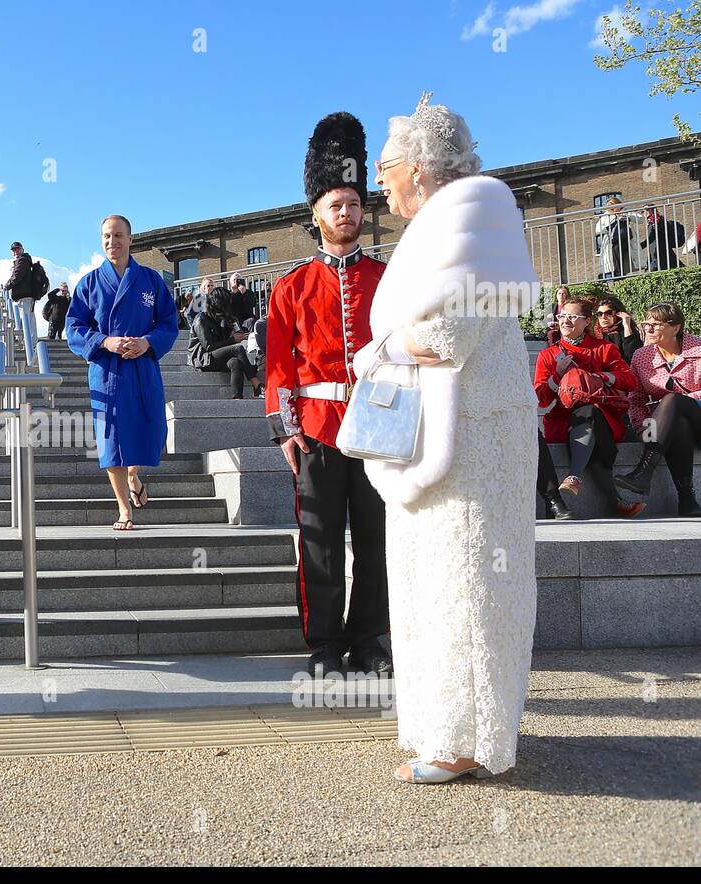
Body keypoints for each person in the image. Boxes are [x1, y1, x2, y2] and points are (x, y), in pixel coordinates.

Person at [361, 93, 540, 784]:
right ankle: (447, 730)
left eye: (387, 164)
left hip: (472, 441)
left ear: (422, 167)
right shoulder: (447, 221)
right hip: (451, 432)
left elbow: (445, 334)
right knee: (440, 584)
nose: (380, 178)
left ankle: (461, 743)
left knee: (465, 585)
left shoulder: (475, 214)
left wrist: (372, 353)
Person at [264, 112, 390, 678]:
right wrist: (286, 428)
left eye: (355, 204)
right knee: (318, 543)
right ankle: (323, 646)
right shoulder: (291, 285)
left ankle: (369, 640)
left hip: (380, 426)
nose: (348, 213)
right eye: (336, 205)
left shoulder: (389, 277)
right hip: (315, 427)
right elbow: (278, 365)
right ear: (316, 214)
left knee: (376, 542)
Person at [66, 214, 179, 531]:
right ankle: (123, 508)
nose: (111, 242)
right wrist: (105, 341)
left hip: (143, 367)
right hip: (107, 370)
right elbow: (74, 327)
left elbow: (169, 323)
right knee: (111, 441)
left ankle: (134, 475)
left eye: (117, 236)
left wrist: (148, 342)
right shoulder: (89, 283)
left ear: (130, 239)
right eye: (105, 236)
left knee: (150, 429)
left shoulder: (151, 280)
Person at [534, 294, 641, 517]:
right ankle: (615, 501)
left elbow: (629, 380)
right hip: (562, 420)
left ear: (586, 321)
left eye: (573, 317)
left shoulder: (604, 348)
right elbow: (540, 399)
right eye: (562, 316)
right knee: (590, 436)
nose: (565, 321)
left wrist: (600, 376)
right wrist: (557, 376)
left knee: (589, 412)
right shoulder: (548, 354)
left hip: (602, 417)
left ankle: (574, 476)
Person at [616, 302, 701, 516]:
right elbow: (635, 399)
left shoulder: (699, 350)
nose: (648, 329)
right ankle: (687, 500)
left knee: (673, 401)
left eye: (656, 324)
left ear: (676, 327)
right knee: (678, 424)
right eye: (646, 324)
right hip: (670, 426)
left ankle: (643, 472)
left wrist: (676, 401)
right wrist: (642, 426)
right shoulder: (641, 356)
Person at [189, 286, 260, 398]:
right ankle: (257, 384)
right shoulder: (200, 319)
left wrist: (230, 329)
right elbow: (209, 346)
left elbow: (222, 344)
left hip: (215, 357)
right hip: (202, 358)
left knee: (235, 362)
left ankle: (238, 398)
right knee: (238, 348)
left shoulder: (219, 320)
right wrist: (233, 339)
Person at [595, 295, 642, 363]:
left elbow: (632, 356)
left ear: (619, 314)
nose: (603, 317)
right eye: (599, 314)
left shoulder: (626, 331)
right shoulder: (594, 332)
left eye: (608, 313)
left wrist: (627, 326)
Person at [5, 241, 37, 331]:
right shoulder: (25, 260)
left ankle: (28, 342)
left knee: (25, 318)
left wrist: (6, 286)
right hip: (27, 294)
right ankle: (32, 342)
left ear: (22, 249)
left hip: (24, 294)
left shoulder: (22, 260)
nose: (15, 252)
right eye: (14, 250)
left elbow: (17, 276)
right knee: (29, 318)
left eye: (17, 249)